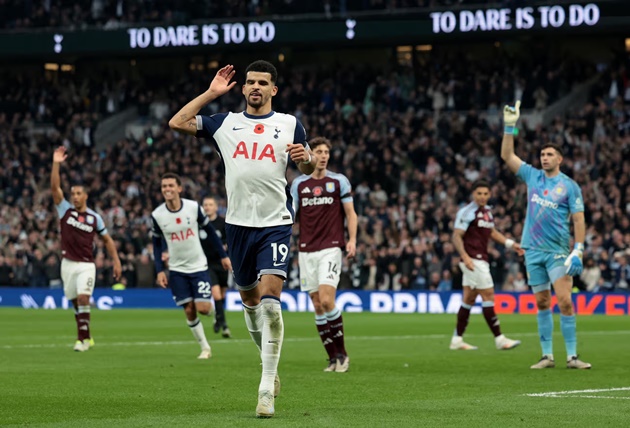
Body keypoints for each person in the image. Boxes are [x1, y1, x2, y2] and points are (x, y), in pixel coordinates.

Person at [168, 61, 317, 418]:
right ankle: (270, 364)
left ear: (273, 90)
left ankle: (266, 389)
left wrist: (307, 158)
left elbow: (308, 167)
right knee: (250, 303)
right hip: (237, 227)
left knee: (270, 303)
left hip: (276, 225)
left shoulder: (289, 124)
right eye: (250, 82)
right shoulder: (225, 123)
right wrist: (211, 93)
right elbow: (177, 122)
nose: (254, 87)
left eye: (262, 83)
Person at [501, 101, 591, 369]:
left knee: (564, 300)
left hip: (557, 252)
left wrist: (579, 249)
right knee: (541, 302)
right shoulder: (532, 176)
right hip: (532, 250)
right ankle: (547, 356)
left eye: (550, 154)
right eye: (542, 154)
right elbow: (507, 156)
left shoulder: (570, 186)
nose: (544, 157)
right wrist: (509, 127)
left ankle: (572, 356)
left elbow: (578, 219)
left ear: (559, 159)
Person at [289, 137, 357, 372]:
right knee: (318, 306)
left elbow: (351, 214)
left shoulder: (339, 182)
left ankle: (343, 354)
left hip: (331, 247)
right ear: (311, 154)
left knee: (328, 300)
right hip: (306, 250)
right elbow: (291, 215)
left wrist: (353, 240)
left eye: (327, 151)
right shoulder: (298, 184)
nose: (324, 155)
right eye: (319, 151)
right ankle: (332, 358)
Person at [151, 173, 231, 359]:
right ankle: (205, 348)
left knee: (203, 308)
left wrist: (223, 256)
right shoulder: (157, 215)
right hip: (177, 269)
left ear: (179, 188)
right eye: (164, 186)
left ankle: (212, 310)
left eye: (171, 185)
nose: (167, 189)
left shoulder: (193, 208)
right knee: (188, 309)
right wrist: (159, 270)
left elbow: (211, 233)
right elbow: (156, 244)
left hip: (198, 266)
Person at [50, 146, 122, 352]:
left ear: (86, 196)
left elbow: (107, 240)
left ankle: (81, 340)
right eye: (72, 193)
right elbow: (55, 189)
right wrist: (56, 163)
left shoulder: (94, 218)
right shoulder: (65, 211)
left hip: (86, 265)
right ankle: (87, 335)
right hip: (67, 264)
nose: (74, 196)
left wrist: (116, 261)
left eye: (78, 193)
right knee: (75, 302)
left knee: (83, 298)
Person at [450, 180, 524, 351]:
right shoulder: (467, 212)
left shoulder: (487, 213)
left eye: (485, 193)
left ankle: (457, 339)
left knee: (468, 299)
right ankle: (499, 339)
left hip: (480, 258)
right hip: (473, 260)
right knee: (488, 295)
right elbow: (456, 236)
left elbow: (491, 232)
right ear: (473, 194)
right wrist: (465, 257)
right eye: (479, 193)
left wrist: (510, 244)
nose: (482, 197)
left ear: (489, 194)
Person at [201, 195, 231, 338]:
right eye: (205, 205)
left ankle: (217, 317)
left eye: (210, 204)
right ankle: (224, 325)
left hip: (222, 263)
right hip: (207, 264)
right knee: (216, 294)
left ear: (216, 207)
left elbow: (230, 240)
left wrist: (225, 246)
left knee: (222, 295)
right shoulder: (199, 223)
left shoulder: (222, 223)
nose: (207, 207)